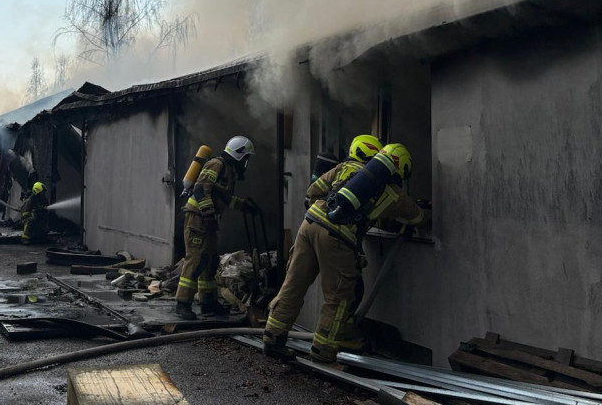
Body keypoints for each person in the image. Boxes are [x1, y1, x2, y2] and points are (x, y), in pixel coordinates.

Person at [263, 137, 430, 362]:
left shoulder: (345, 167)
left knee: (294, 283)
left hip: (309, 223)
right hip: (337, 236)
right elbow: (418, 217)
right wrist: (426, 211)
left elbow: (312, 191)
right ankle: (323, 352)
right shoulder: (394, 194)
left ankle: (273, 338)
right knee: (339, 297)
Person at [174, 135, 255, 321]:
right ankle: (183, 304)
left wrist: (245, 206)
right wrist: (209, 214)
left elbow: (224, 199)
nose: (246, 163)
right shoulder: (216, 165)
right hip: (198, 219)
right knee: (195, 260)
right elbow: (201, 190)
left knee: (209, 262)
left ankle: (208, 303)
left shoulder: (229, 171)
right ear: (238, 154)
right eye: (246, 158)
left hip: (207, 219)